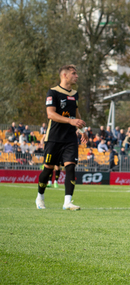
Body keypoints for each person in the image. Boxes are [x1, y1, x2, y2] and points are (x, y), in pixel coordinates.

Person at [35, 65, 87, 210]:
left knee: (70, 167)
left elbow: (76, 115)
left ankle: (67, 202)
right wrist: (71, 121)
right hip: (54, 137)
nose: (77, 76)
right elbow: (50, 114)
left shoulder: (75, 94)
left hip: (70, 138)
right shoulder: (53, 92)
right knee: (48, 169)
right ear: (64, 75)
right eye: (74, 73)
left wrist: (82, 129)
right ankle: (40, 197)